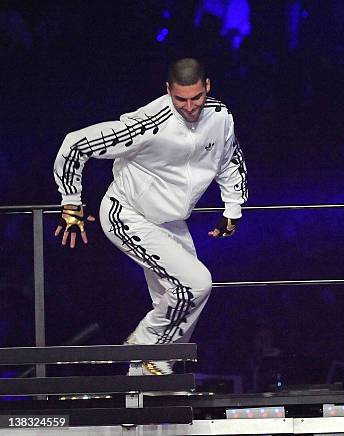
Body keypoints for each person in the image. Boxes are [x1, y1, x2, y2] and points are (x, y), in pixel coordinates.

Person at [53, 58, 248, 375]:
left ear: (207, 87)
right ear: (168, 90)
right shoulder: (149, 123)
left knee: (178, 306)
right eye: (180, 99)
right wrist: (71, 202)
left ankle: (140, 386)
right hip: (126, 213)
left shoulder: (220, 117)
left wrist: (232, 208)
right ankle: (143, 346)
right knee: (196, 284)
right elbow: (75, 145)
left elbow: (229, 159)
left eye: (196, 97)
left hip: (171, 223)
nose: (189, 107)